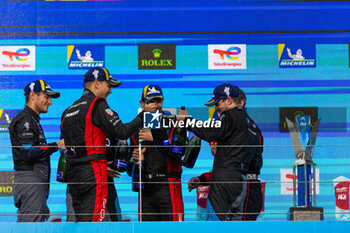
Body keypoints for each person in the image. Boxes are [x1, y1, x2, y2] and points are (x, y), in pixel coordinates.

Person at [61, 67, 143, 222]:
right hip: (94, 172)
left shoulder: (68, 110)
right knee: (96, 223)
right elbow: (122, 131)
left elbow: (65, 148)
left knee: (80, 223)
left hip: (74, 175)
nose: (110, 91)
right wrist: (142, 117)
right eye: (108, 86)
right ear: (97, 84)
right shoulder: (97, 104)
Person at [179, 83, 259, 221]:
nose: (216, 109)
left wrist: (188, 121)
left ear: (229, 100)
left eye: (218, 104)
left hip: (224, 182)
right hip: (241, 183)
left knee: (216, 226)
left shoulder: (229, 115)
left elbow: (210, 132)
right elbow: (256, 160)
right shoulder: (252, 124)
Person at [9, 80, 65, 222]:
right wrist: (56, 145)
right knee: (31, 228)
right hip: (30, 181)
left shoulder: (32, 120)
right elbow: (28, 153)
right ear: (33, 95)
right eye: (47, 97)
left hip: (35, 183)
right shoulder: (26, 120)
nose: (50, 102)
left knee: (34, 225)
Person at [127, 84, 184, 221]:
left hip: (169, 184)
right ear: (142, 103)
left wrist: (156, 138)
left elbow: (180, 155)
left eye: (158, 101)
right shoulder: (135, 130)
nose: (155, 105)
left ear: (163, 101)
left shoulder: (174, 123)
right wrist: (135, 160)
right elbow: (129, 170)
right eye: (150, 101)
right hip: (145, 187)